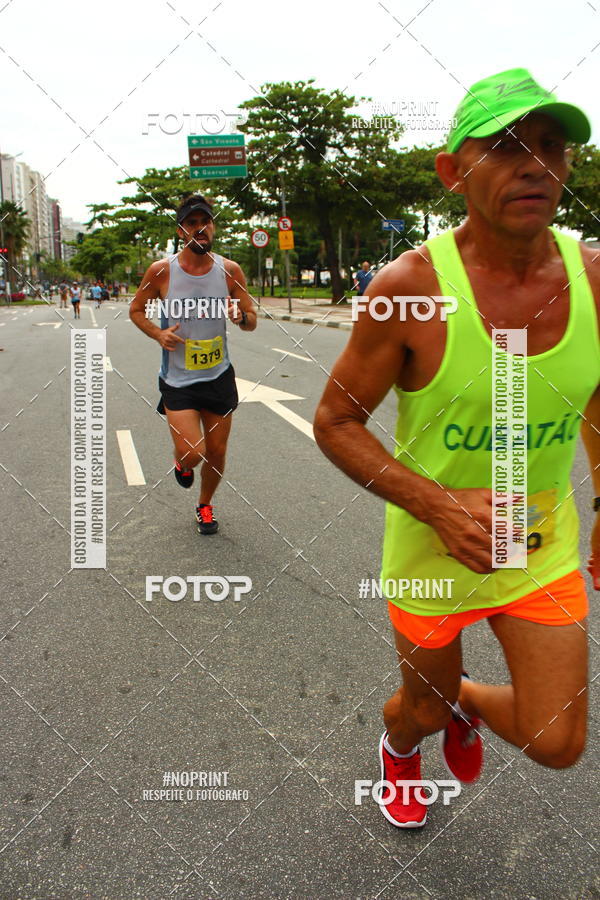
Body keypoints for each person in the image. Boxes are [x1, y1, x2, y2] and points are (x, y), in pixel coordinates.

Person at [314, 67, 599, 829]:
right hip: (432, 553)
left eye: (551, 146)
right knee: (421, 713)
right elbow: (335, 422)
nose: (535, 164)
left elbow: (598, 392)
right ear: (453, 172)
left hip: (539, 546)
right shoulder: (410, 288)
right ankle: (405, 745)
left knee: (559, 742)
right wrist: (438, 506)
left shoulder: (596, 280)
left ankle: (466, 698)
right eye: (505, 147)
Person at [129, 194, 256, 535]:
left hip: (218, 377)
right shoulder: (161, 271)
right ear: (181, 230)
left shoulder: (229, 271)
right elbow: (136, 310)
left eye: (205, 222)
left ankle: (204, 505)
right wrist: (158, 334)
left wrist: (240, 315)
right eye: (192, 223)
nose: (200, 229)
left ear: (213, 226)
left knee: (216, 451)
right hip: (179, 381)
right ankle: (180, 461)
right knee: (194, 453)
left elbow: (252, 320)